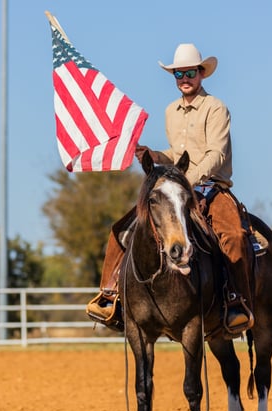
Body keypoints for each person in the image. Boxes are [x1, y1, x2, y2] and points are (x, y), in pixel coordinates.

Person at [87, 43, 262, 336]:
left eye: (190, 72)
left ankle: (236, 302)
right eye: (179, 73)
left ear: (201, 73)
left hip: (211, 187)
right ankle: (110, 296)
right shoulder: (171, 111)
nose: (184, 78)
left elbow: (216, 153)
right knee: (121, 230)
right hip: (175, 189)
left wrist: (185, 181)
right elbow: (175, 154)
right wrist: (154, 155)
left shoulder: (215, 108)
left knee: (233, 235)